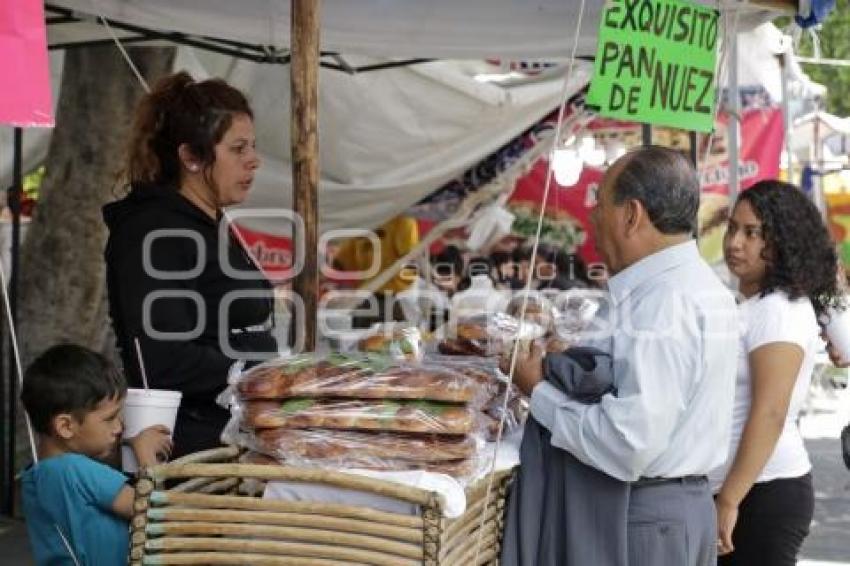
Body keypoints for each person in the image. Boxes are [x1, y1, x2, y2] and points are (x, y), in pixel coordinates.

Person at [503, 146, 738, 565]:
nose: (592, 219)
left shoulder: (665, 301)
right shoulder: (692, 286)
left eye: (599, 204)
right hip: (675, 511)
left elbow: (627, 443)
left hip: (650, 518)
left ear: (631, 214)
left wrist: (537, 390)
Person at [103, 71, 277, 458]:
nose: (254, 161)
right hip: (187, 446)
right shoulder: (153, 232)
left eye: (253, 147)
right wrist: (263, 373)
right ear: (191, 157)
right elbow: (165, 358)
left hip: (231, 432)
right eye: (238, 149)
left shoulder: (211, 222)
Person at [711, 180, 843, 565]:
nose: (735, 243)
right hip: (751, 490)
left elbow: (770, 412)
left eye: (753, 233)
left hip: (760, 494)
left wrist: (730, 498)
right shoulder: (760, 304)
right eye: (733, 228)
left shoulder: (777, 309)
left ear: (783, 241)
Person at [20, 344, 172, 565]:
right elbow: (153, 511)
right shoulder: (75, 469)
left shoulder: (38, 475)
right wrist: (146, 455)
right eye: (109, 418)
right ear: (65, 426)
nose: (120, 426)